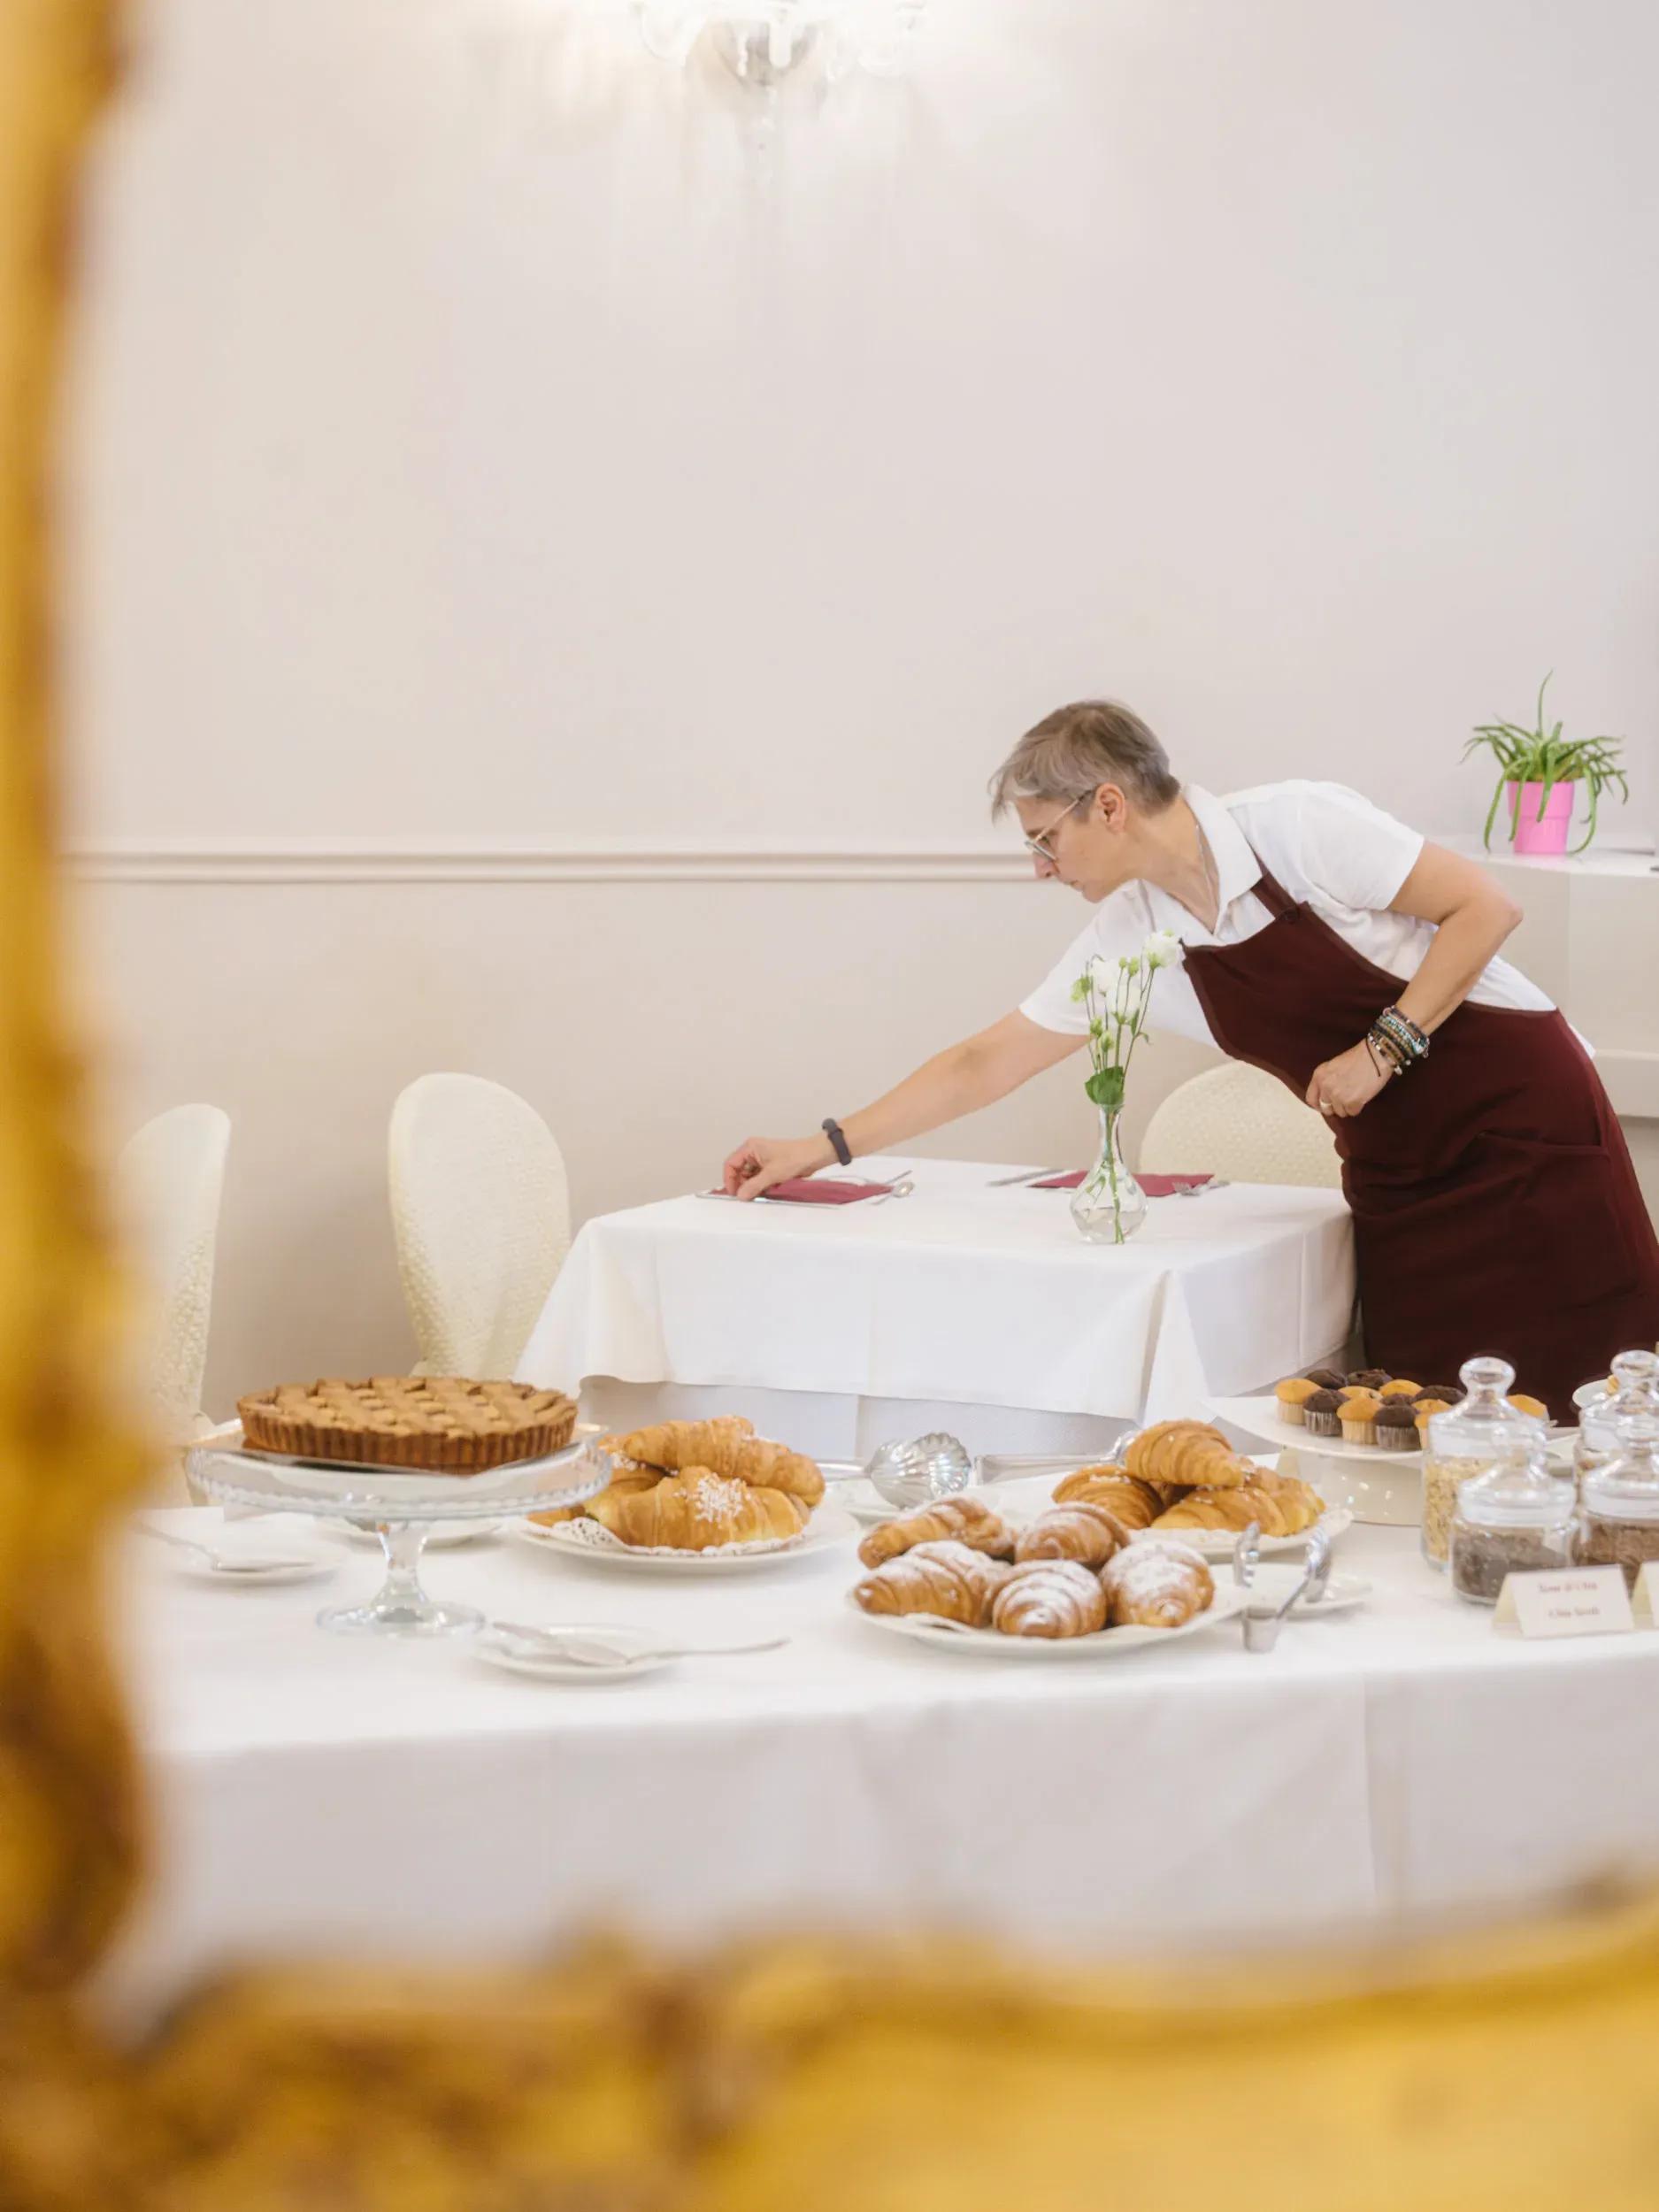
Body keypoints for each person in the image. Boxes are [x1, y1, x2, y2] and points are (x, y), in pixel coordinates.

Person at [721, 698, 1659, 1418]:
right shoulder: (1134, 931)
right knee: (1425, 1428)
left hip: (1530, 1138)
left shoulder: (1297, 825)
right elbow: (984, 1062)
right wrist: (823, 1144)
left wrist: (1384, 1046)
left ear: (1111, 805)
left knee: (1596, 1415)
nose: (1041, 868)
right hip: (1402, 1183)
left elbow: (1486, 909)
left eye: (1047, 840)